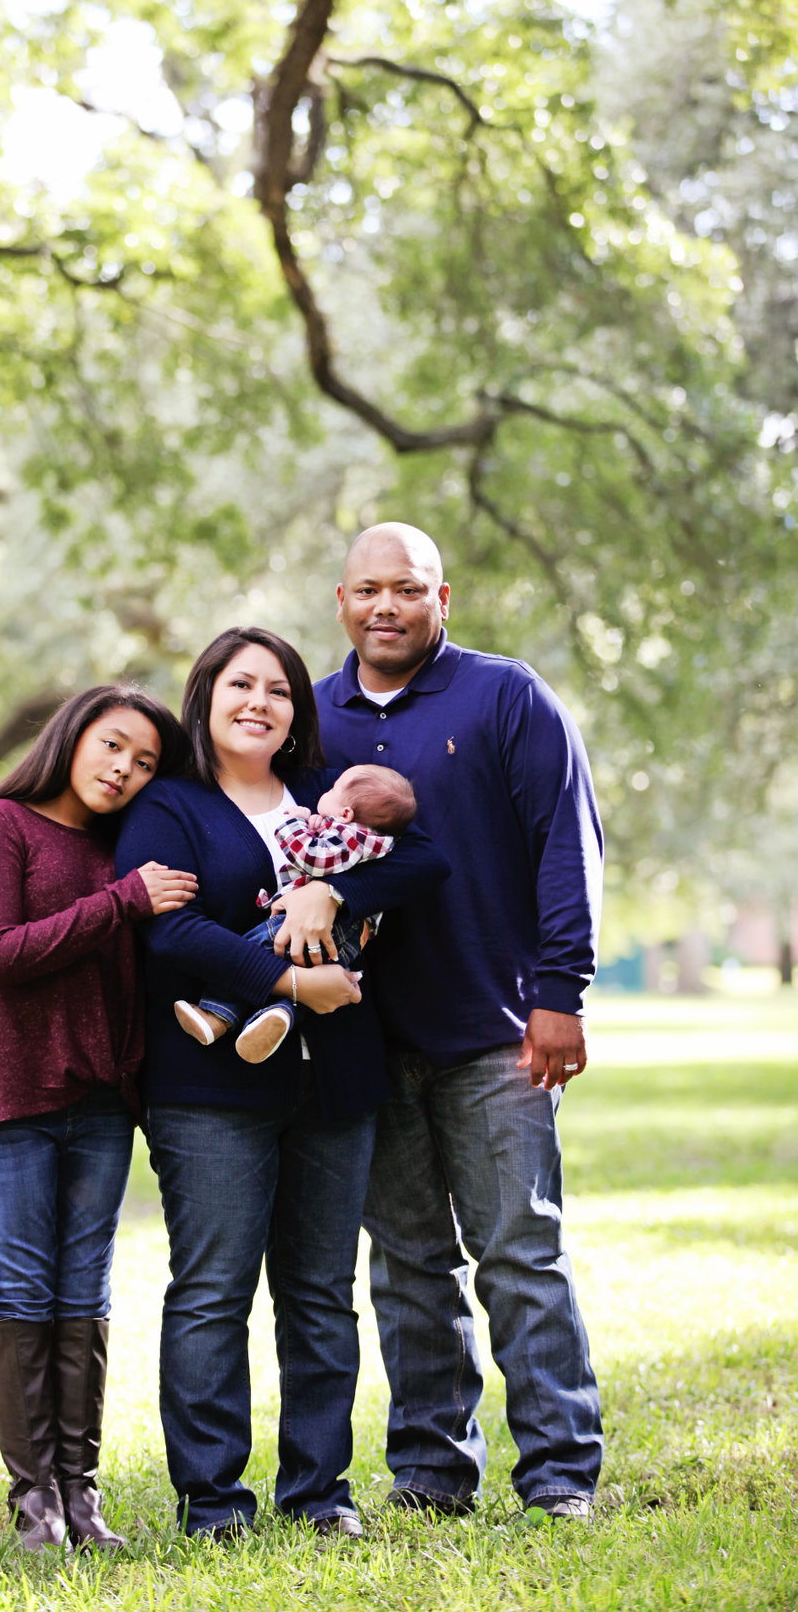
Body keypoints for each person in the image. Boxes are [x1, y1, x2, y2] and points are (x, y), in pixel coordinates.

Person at [115, 628, 450, 1540]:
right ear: (206, 697)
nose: (259, 702)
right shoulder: (169, 808)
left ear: (297, 712)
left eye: (278, 690)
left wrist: (332, 896)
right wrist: (287, 980)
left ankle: (318, 1494)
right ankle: (214, 1502)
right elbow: (165, 936)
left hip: (333, 1084)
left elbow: (424, 860)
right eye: (240, 685)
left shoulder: (325, 796)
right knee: (213, 1290)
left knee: (317, 1294)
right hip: (207, 1090)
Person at [313, 523, 604, 1523]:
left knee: (520, 1251)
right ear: (341, 600)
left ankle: (560, 1470)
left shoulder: (505, 695)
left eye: (407, 587)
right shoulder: (310, 717)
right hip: (365, 1040)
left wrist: (559, 993)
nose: (384, 605)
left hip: (497, 1031)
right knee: (405, 1265)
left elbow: (566, 844)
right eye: (366, 589)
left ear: (446, 599)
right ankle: (433, 1471)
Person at [0, 686, 197, 1553]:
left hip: (97, 1103)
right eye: (113, 745)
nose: (123, 769)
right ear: (72, 737)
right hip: (8, 1094)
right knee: (16, 1288)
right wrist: (123, 902)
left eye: (145, 762)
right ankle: (33, 1504)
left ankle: (80, 1497)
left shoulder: (130, 847)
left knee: (82, 1291)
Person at [173, 763, 417, 1064]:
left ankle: (216, 1013)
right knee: (297, 985)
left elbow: (313, 859)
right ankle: (276, 1015)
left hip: (332, 927)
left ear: (346, 815)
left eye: (332, 791)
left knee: (256, 947)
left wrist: (294, 822)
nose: (324, 792)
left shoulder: (355, 836)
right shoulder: (369, 838)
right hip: (344, 938)